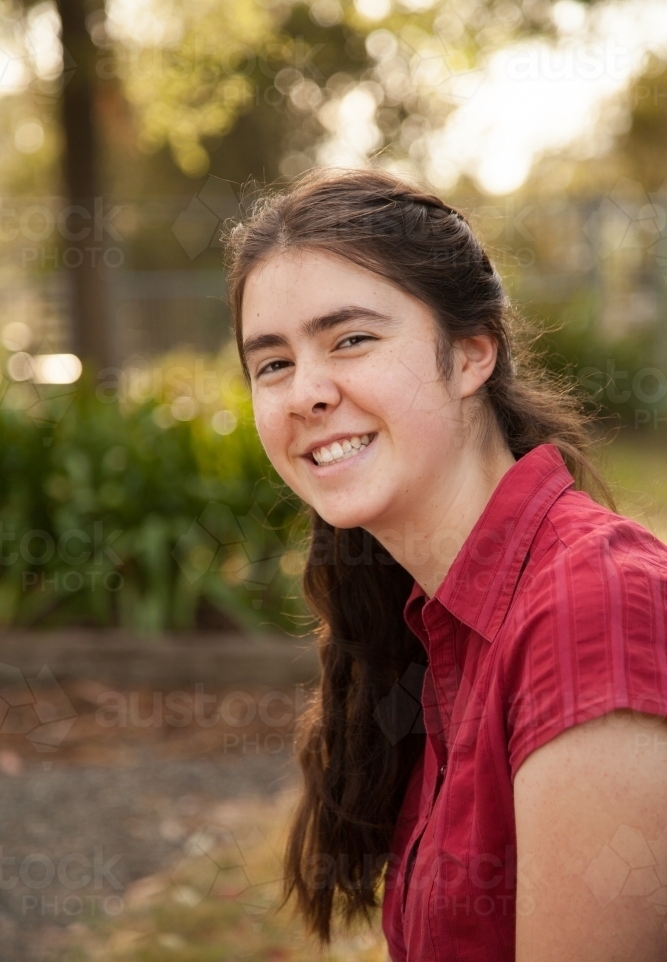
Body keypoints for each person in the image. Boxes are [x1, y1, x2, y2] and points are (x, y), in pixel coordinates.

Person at [225, 167, 667, 961]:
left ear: (470, 355)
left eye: (350, 339)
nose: (305, 393)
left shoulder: (591, 606)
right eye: (273, 364)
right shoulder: (428, 619)